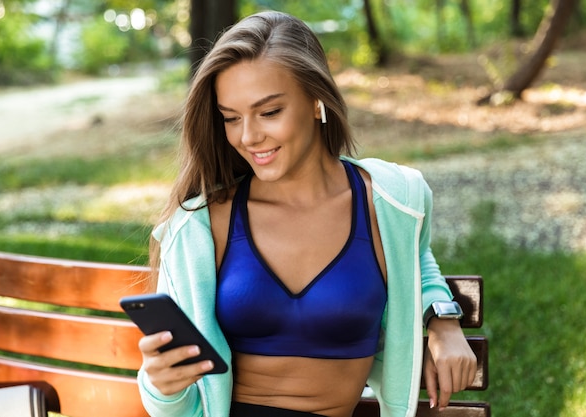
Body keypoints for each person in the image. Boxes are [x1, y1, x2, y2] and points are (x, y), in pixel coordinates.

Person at [137, 10, 477, 417]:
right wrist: (162, 387)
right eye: (231, 118)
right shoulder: (202, 224)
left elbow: (415, 257)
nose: (248, 137)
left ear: (317, 100)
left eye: (269, 112)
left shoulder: (391, 201)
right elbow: (176, 407)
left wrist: (443, 319)